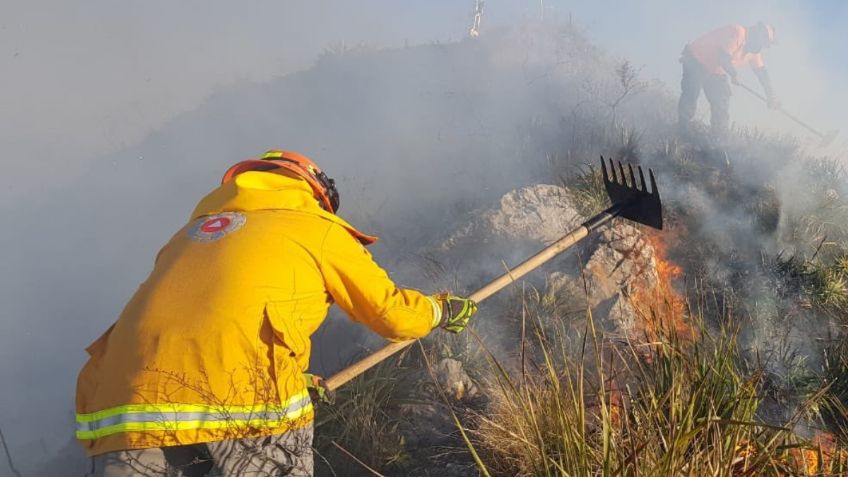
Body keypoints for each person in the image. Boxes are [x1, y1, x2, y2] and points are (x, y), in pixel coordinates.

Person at [75, 150, 478, 476]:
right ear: (316, 192)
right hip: (241, 399)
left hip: (124, 407)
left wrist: (291, 377)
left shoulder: (189, 236)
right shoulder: (313, 226)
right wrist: (439, 311)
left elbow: (208, 323)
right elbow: (389, 313)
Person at [678, 22, 778, 136]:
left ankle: (718, 137)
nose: (763, 46)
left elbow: (762, 73)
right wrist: (733, 74)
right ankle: (682, 129)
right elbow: (723, 57)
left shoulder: (754, 52)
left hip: (715, 68)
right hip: (697, 58)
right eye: (764, 42)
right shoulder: (738, 32)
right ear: (758, 34)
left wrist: (771, 95)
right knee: (692, 91)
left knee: (721, 99)